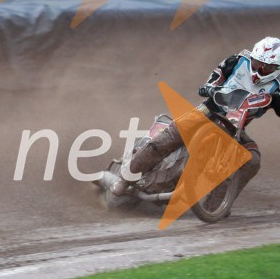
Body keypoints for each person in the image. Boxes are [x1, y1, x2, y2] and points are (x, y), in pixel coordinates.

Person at [111, 36, 280, 201]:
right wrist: (209, 88)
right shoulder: (236, 61)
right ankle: (125, 179)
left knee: (252, 161)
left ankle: (218, 202)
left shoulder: (278, 86)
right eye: (257, 64)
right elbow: (213, 80)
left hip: (235, 126)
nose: (259, 70)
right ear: (253, 58)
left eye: (267, 68)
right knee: (171, 135)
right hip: (209, 110)